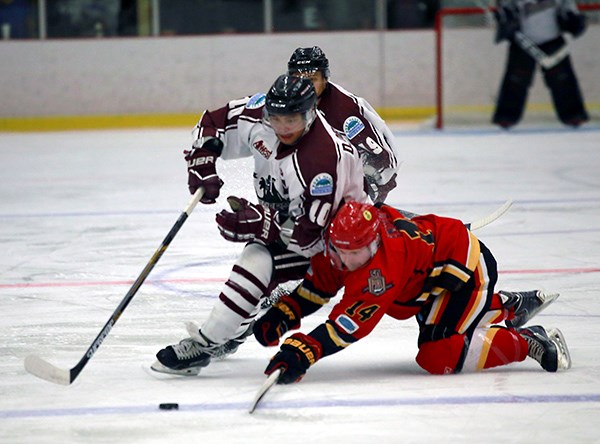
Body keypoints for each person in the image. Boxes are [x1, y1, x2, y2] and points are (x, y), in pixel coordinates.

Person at [151, 74, 370, 375]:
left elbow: (312, 235)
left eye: (292, 120)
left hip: (343, 248)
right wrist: (203, 157)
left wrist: (264, 225)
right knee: (257, 259)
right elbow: (215, 120)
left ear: (311, 113)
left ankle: (210, 341)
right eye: (276, 119)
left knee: (258, 260)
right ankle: (221, 336)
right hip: (299, 232)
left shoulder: (322, 159)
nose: (283, 128)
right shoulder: (260, 115)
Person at [254, 201, 571, 384]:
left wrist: (305, 351)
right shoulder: (343, 242)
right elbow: (320, 284)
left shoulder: (380, 271)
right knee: (440, 325)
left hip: (465, 270)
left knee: (439, 355)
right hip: (425, 285)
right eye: (341, 252)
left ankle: (530, 339)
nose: (348, 261)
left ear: (375, 243)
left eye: (359, 253)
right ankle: (507, 306)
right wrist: (287, 312)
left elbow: (345, 327)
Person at [287, 46, 401, 203]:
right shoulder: (288, 101)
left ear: (325, 79)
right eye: (299, 79)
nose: (305, 86)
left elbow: (383, 159)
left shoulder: (345, 111)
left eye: (312, 79)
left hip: (370, 174)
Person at [492, 0, 588, 128]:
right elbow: (505, 7)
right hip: (522, 40)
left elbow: (567, 6)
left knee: (563, 79)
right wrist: (506, 17)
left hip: (553, 38)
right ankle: (507, 116)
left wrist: (572, 17)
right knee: (515, 80)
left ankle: (573, 114)